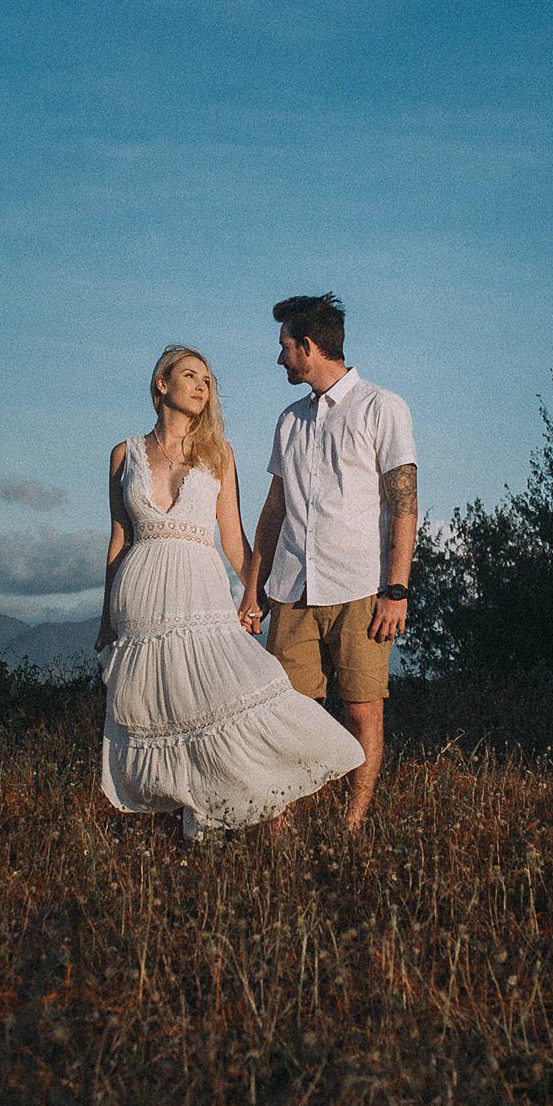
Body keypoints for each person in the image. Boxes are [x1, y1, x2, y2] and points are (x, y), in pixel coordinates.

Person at [97, 345, 365, 839]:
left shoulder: (219, 455)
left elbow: (234, 540)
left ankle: (232, 814)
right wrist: (105, 621)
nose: (202, 386)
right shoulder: (124, 454)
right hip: (140, 605)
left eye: (207, 380)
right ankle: (189, 832)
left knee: (229, 698)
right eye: (190, 376)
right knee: (166, 712)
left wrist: (255, 594)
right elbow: (119, 540)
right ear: (162, 384)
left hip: (199, 595)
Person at [237, 293, 416, 830]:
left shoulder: (383, 407)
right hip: (291, 591)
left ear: (309, 347)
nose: (280, 359)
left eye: (285, 347)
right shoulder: (289, 421)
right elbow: (274, 510)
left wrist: (396, 590)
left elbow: (404, 502)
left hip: (362, 590)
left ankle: (352, 826)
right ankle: (283, 826)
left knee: (363, 710)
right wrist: (253, 589)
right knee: (289, 718)